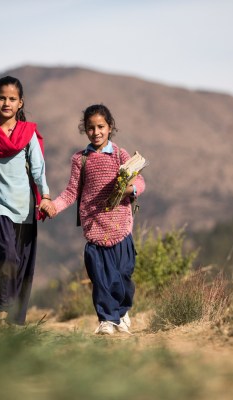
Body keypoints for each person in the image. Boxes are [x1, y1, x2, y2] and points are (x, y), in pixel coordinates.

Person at [49, 104, 145, 335]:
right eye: (91, 128)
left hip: (121, 226)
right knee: (100, 278)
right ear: (85, 130)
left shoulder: (121, 155)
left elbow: (139, 182)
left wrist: (130, 189)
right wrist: (54, 206)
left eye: (101, 126)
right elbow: (72, 192)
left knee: (123, 275)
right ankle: (106, 319)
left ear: (110, 127)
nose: (96, 132)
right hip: (94, 228)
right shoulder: (80, 160)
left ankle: (122, 312)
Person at [0, 76, 54, 326]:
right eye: (2, 97)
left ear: (20, 103)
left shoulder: (27, 134)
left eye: (12, 99)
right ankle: (1, 314)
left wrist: (45, 197)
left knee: (21, 265)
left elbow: (38, 169)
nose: (7, 102)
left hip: (25, 208)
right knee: (8, 258)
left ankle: (14, 320)